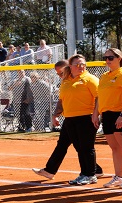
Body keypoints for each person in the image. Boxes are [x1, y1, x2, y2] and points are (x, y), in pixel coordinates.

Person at [33, 56, 99, 184]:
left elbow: (99, 97)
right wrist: (55, 115)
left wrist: (96, 114)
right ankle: (88, 172)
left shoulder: (90, 79)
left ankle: (90, 174)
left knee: (86, 147)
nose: (81, 67)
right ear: (71, 66)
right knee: (79, 147)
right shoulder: (66, 81)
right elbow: (62, 100)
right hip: (70, 117)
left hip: (86, 116)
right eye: (77, 64)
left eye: (83, 64)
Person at [95, 48, 122, 187]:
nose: (107, 60)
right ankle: (119, 176)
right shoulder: (104, 76)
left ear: (119, 58)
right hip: (107, 115)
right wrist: (95, 114)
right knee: (115, 148)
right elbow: (99, 98)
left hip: (120, 114)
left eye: (111, 58)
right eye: (106, 58)